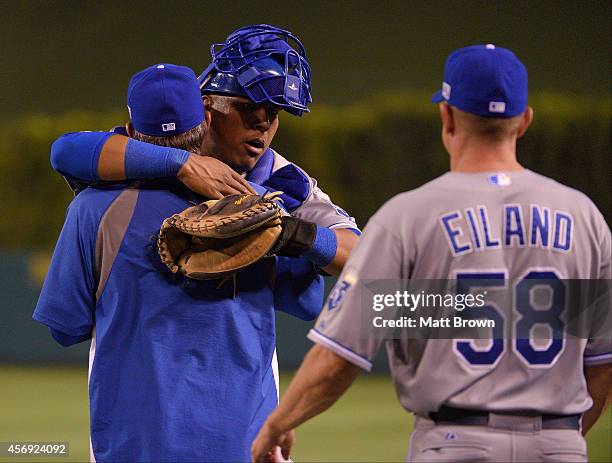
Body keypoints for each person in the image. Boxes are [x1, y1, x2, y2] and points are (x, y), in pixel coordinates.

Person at [251, 44, 612, 463]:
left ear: (447, 116)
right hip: (559, 445)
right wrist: (560, 440)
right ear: (525, 120)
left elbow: (339, 358)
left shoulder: (410, 216)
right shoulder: (584, 217)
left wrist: (277, 425)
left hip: (457, 443)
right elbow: (602, 365)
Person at [33, 63, 329, 462]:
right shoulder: (259, 206)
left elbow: (64, 329)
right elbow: (308, 301)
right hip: (246, 446)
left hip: (133, 447)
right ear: (206, 118)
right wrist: (293, 232)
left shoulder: (92, 211)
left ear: (131, 131)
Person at [49, 24, 359, 276]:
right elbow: (65, 151)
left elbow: (361, 257)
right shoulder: (155, 143)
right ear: (206, 105)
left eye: (274, 113)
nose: (263, 123)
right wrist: (180, 163)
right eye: (249, 107)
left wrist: (290, 233)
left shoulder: (283, 180)